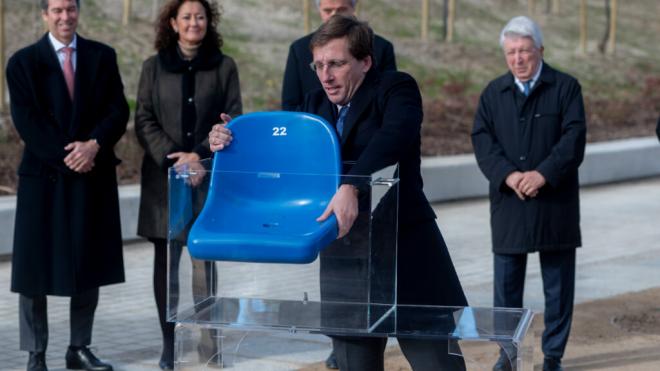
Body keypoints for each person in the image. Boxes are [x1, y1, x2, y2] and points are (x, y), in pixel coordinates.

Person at [210, 15, 468, 371]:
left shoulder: (396, 88)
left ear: (365, 61)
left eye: (336, 64)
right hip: (347, 262)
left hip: (407, 255)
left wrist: (351, 184)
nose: (326, 75)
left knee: (438, 365)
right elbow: (282, 146)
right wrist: (229, 138)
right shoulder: (314, 106)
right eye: (318, 65)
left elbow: (392, 137)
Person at [5, 0, 129, 370]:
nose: (65, 17)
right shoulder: (23, 62)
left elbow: (117, 109)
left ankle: (79, 349)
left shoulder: (102, 56)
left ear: (78, 12)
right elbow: (26, 121)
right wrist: (69, 156)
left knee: (88, 265)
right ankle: (35, 355)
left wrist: (93, 145)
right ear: (44, 14)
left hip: (92, 175)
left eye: (70, 9)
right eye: (57, 10)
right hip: (44, 178)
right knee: (33, 272)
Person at [471, 16, 586, 371]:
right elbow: (481, 140)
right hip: (510, 203)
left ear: (540, 50)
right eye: (511, 52)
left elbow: (574, 139)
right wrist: (508, 175)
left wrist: (542, 174)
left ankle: (552, 356)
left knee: (558, 288)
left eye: (524, 51)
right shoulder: (493, 93)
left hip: (555, 202)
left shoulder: (566, 88)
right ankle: (507, 355)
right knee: (506, 291)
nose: (518, 59)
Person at [134, 0, 242, 369]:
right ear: (173, 23)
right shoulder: (153, 67)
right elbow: (144, 119)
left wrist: (198, 156)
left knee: (204, 267)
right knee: (166, 268)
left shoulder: (224, 66)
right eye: (187, 17)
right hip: (164, 183)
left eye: (200, 16)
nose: (194, 23)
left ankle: (209, 344)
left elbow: (233, 118)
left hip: (207, 181)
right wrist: (176, 158)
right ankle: (170, 343)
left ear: (208, 22)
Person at [281, 0, 396, 111]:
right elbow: (290, 106)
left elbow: (388, 94)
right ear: (319, 10)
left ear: (353, 8)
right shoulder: (299, 49)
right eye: (328, 10)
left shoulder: (381, 47)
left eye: (341, 9)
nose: (334, 16)